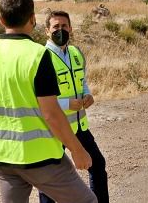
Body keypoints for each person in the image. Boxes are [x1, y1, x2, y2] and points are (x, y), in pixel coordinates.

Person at [0, 0, 97, 203]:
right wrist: (77, 149)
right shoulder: (38, 55)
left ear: (1, 19)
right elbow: (51, 113)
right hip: (41, 158)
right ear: (33, 19)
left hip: (2, 157)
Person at [39, 10, 109, 203]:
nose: (60, 30)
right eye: (55, 27)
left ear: (70, 28)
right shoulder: (41, 58)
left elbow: (82, 81)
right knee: (50, 178)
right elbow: (37, 100)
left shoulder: (76, 53)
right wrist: (67, 104)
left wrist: (88, 95)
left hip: (79, 126)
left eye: (64, 26)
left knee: (97, 164)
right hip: (55, 128)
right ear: (47, 31)